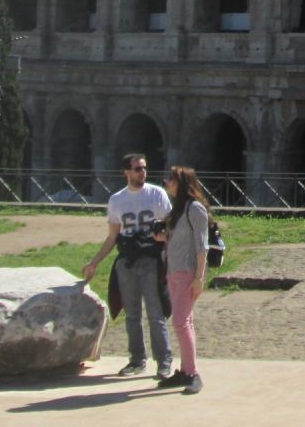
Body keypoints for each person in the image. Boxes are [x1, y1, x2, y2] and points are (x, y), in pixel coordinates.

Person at [81, 154, 174, 380]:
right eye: (137, 169)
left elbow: (171, 227)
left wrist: (170, 255)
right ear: (127, 172)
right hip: (127, 261)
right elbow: (112, 236)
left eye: (144, 168)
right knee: (131, 314)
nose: (142, 172)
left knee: (156, 313)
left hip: (151, 259)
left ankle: (164, 361)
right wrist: (95, 261)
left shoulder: (156, 194)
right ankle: (137, 359)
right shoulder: (117, 200)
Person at [154, 166, 209, 394]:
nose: (167, 182)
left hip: (187, 273)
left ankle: (193, 373)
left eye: (171, 179)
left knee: (179, 322)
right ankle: (185, 370)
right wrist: (163, 236)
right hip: (173, 271)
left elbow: (201, 246)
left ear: (182, 182)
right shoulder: (178, 209)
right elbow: (178, 240)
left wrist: (199, 277)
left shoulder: (195, 209)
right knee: (185, 322)